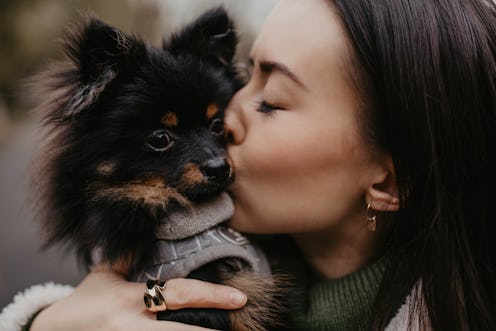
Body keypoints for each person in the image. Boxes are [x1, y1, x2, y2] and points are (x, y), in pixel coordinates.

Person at [2, 0, 496, 330]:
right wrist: (46, 322)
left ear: (387, 181)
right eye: (244, 76)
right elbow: (148, 294)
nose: (230, 113)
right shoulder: (188, 243)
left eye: (272, 101)